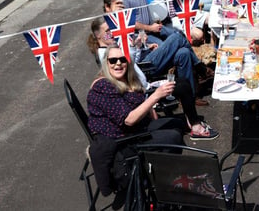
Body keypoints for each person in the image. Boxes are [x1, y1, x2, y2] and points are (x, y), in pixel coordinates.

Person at [87, 21, 219, 140]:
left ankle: (192, 120)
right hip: (143, 90)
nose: (118, 63)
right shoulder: (104, 59)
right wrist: (151, 100)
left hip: (141, 86)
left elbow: (133, 63)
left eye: (121, 60)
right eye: (108, 31)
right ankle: (195, 122)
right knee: (178, 40)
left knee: (183, 53)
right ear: (98, 35)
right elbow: (127, 118)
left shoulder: (114, 49)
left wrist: (137, 47)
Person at [86, 45, 185, 197]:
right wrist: (156, 96)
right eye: (113, 60)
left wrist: (151, 110)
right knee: (173, 137)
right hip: (122, 141)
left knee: (177, 124)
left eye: (122, 59)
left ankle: (162, 170)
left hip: (135, 129)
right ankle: (163, 183)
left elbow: (137, 104)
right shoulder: (104, 86)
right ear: (106, 63)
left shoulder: (124, 80)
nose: (118, 63)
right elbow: (129, 120)